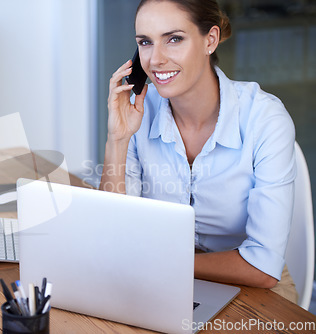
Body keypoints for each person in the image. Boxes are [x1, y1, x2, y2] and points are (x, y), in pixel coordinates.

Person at [100, 0, 298, 303]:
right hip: (157, 272)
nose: (155, 60)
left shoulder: (264, 119)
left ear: (210, 40)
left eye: (174, 39)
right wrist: (118, 139)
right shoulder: (140, 109)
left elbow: (263, 266)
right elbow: (113, 231)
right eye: (145, 43)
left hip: (246, 282)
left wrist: (162, 264)